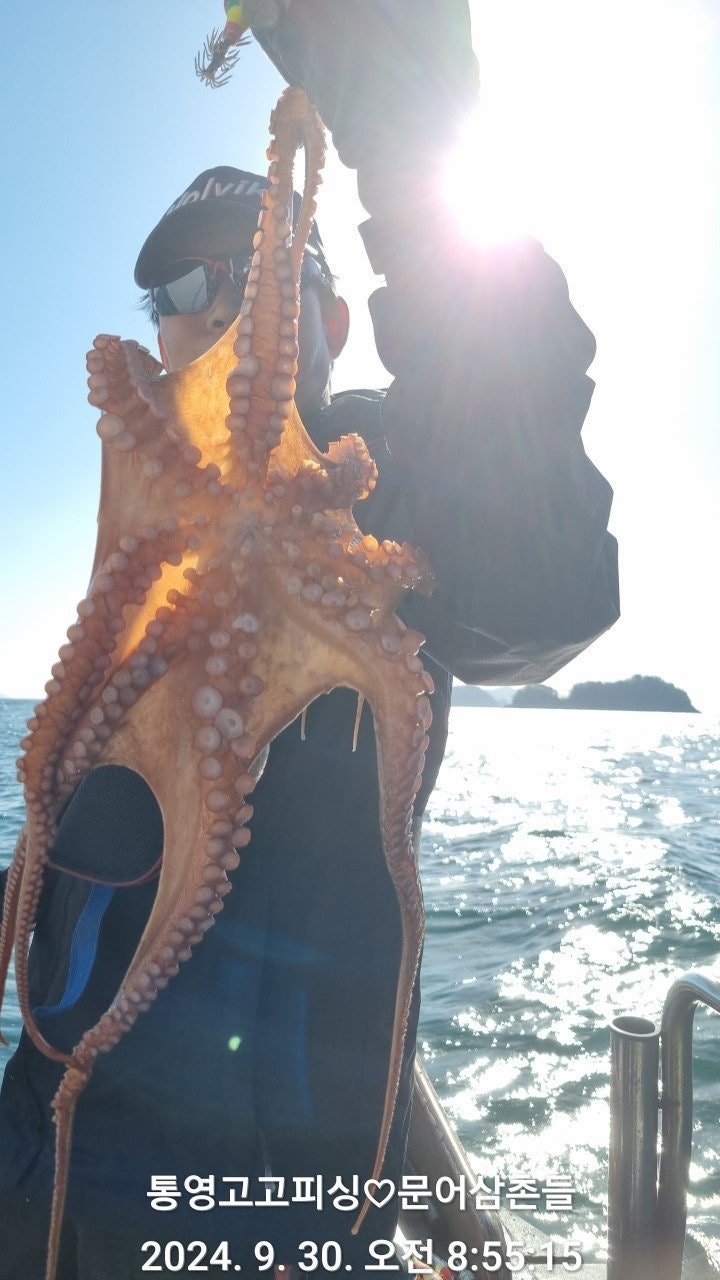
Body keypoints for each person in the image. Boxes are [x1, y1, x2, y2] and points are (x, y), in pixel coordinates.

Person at [0, 4, 619, 1276]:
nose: (220, 312)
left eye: (265, 273)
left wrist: (407, 130)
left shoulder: (389, 494)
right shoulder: (140, 548)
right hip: (38, 1177)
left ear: (329, 322)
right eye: (181, 292)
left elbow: (544, 577)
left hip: (272, 1227)